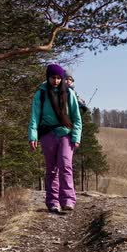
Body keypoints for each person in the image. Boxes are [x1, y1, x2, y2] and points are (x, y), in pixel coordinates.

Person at [28, 64, 82, 213]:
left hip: (65, 133)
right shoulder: (41, 93)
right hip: (47, 134)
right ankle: (53, 202)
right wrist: (33, 135)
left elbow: (77, 118)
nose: (56, 81)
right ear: (48, 77)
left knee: (66, 165)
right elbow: (34, 116)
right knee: (51, 169)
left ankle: (68, 200)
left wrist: (76, 137)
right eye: (53, 77)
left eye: (59, 78)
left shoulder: (69, 94)